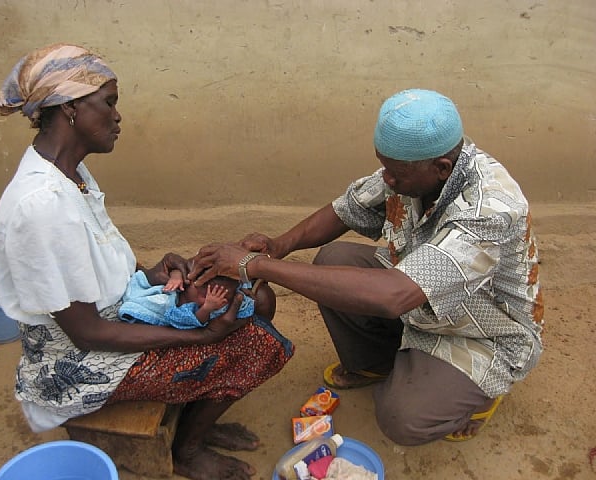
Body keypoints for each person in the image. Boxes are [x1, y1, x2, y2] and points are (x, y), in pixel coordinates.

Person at [0, 43, 293, 480]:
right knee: (254, 345)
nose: (118, 117)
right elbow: (88, 332)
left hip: (110, 316)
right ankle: (187, 451)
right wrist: (201, 337)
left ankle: (198, 420)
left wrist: (151, 273)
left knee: (251, 296)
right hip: (77, 362)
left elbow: (90, 268)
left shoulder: (68, 174)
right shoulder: (40, 204)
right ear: (71, 108)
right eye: (109, 103)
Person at [189, 89, 544, 446]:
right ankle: (377, 362)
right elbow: (347, 208)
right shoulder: (415, 168)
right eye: (385, 167)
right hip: (419, 298)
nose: (387, 180)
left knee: (402, 418)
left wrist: (257, 266)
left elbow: (395, 295)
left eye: (395, 173)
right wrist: (279, 246)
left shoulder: (489, 210)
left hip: (481, 329)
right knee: (333, 260)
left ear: (441, 169)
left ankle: (479, 396)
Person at [118, 267, 259, 329]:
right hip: (164, 296)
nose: (207, 301)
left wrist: (207, 309)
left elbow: (192, 321)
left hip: (174, 312)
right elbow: (177, 269)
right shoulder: (188, 278)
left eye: (223, 298)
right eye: (204, 295)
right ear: (192, 281)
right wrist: (176, 276)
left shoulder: (201, 308)